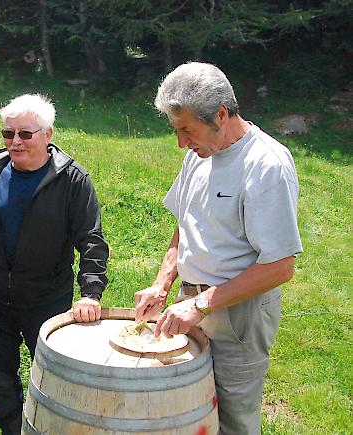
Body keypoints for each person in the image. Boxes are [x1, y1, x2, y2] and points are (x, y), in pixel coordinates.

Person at [134, 62, 302, 434]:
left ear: (221, 114)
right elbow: (186, 224)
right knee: (188, 407)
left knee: (232, 419)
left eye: (186, 130)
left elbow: (280, 267)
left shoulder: (267, 165)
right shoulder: (199, 154)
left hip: (238, 315)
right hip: (189, 302)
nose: (181, 143)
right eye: (176, 131)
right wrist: (163, 285)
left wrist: (200, 304)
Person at [0, 94, 109, 435]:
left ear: (48, 134)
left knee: (55, 377)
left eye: (25, 134)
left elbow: (91, 239)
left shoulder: (72, 180)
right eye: (7, 134)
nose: (15, 142)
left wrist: (90, 294)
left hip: (47, 299)